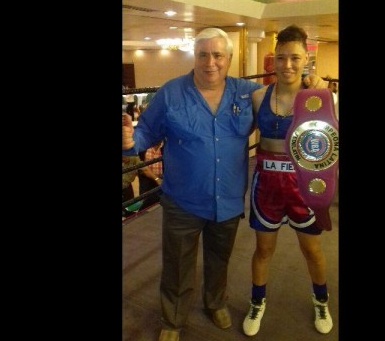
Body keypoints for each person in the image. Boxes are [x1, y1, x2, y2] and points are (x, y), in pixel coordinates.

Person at [122, 27, 328, 341]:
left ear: (229, 58)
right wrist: (128, 141)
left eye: (218, 55)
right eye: (203, 54)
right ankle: (172, 320)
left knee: (220, 258)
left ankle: (215, 302)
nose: (211, 62)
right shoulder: (171, 92)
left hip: (228, 199)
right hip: (183, 200)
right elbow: (146, 132)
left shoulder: (247, 92)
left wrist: (311, 83)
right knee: (177, 264)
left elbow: (286, 92)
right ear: (195, 56)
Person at [242, 25, 334, 336]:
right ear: (273, 61)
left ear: (305, 58)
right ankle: (257, 301)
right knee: (263, 250)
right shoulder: (257, 96)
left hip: (303, 184)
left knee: (312, 250)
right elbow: (238, 135)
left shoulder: (319, 97)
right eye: (281, 58)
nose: (288, 65)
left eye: (294, 58)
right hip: (266, 183)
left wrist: (326, 97)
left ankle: (321, 299)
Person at [137, 140, 164, 209]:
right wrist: (156, 179)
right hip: (146, 180)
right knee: (145, 205)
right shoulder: (143, 145)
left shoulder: (167, 146)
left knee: (161, 205)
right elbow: (141, 165)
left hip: (163, 180)